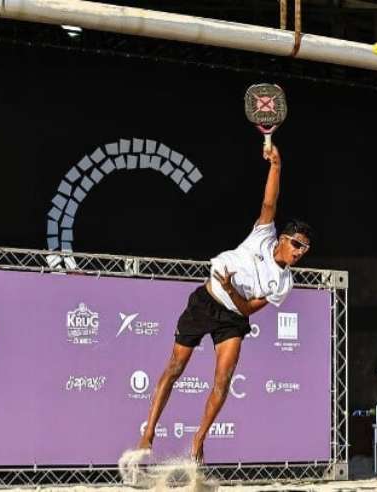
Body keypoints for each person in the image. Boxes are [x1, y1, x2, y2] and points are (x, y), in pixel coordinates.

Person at [136, 145, 313, 463]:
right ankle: (148, 433)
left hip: (232, 316)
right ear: (283, 239)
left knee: (223, 379)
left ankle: (198, 440)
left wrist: (232, 290)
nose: (300, 252)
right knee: (175, 368)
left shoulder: (284, 283)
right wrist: (276, 165)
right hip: (206, 301)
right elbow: (269, 200)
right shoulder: (263, 235)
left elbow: (245, 310)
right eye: (297, 244)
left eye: (306, 248)